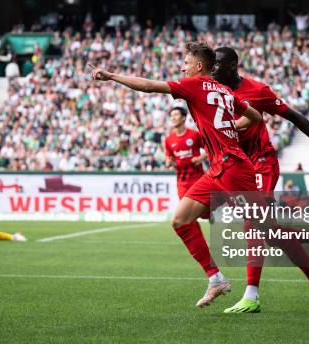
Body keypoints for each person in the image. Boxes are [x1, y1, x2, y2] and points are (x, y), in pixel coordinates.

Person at [90, 42, 266, 308]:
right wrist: (231, 127)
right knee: (181, 220)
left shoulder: (193, 85)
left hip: (234, 167)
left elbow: (149, 86)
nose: (182, 66)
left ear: (198, 66)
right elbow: (255, 117)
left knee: (265, 228)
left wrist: (112, 76)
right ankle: (216, 278)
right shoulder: (225, 90)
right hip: (218, 168)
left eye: (185, 62)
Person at [212, 46, 309, 314]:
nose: (213, 68)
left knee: (252, 224)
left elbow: (295, 117)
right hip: (235, 165)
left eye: (218, 63)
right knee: (271, 234)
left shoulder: (257, 91)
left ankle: (251, 295)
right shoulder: (210, 90)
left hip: (261, 163)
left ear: (233, 65)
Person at [164, 106, 207, 200]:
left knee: (206, 212)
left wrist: (200, 158)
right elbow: (168, 160)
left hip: (198, 179)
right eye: (171, 116)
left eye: (176, 115)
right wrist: (169, 163)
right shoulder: (169, 140)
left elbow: (210, 149)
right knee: (186, 212)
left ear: (183, 118)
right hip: (182, 182)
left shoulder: (194, 135)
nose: (173, 118)